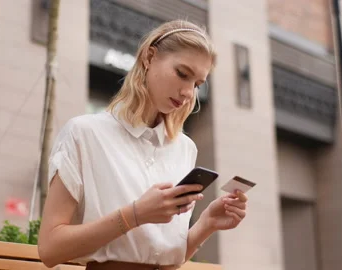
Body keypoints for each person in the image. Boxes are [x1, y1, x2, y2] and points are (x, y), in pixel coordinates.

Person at [37, 19, 248, 270]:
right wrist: (135, 214)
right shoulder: (84, 134)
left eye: (197, 84)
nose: (188, 92)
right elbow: (49, 249)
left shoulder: (184, 148)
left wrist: (206, 224)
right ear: (149, 57)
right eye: (182, 74)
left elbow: (165, 257)